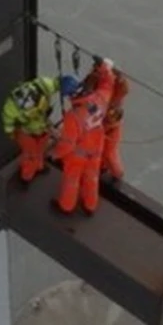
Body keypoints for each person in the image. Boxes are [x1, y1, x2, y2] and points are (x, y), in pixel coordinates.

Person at [50, 58, 115, 215]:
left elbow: (68, 143)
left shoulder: (73, 116)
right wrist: (105, 67)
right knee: (92, 178)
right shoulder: (100, 97)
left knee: (72, 181)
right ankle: (90, 205)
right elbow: (108, 83)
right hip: (96, 148)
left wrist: (55, 154)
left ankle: (66, 207)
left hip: (78, 154)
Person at [2, 75, 80, 186]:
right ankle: (26, 176)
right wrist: (10, 131)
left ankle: (38, 167)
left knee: (40, 150)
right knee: (30, 155)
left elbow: (52, 86)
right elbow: (8, 117)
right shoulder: (16, 105)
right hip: (27, 132)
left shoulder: (44, 87)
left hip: (41, 128)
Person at [101, 69, 129, 180]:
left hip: (110, 130)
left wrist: (120, 78)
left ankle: (117, 174)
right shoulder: (109, 92)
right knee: (101, 151)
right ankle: (102, 167)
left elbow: (124, 89)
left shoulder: (115, 96)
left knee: (109, 153)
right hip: (105, 127)